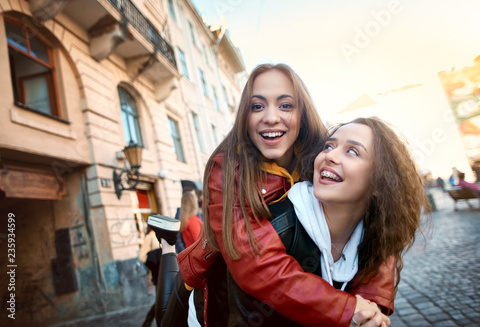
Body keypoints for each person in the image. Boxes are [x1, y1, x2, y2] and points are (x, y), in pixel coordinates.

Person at [153, 64, 393, 327]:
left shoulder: (323, 156)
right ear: (245, 116)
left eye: (285, 106)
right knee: (167, 316)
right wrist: (346, 309)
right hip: (217, 286)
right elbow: (256, 262)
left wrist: (371, 304)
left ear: (302, 114)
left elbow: (375, 222)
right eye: (257, 106)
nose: (270, 117)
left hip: (293, 300)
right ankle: (166, 245)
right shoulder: (228, 166)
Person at [139, 226, 161, 327]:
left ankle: (149, 322)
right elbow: (142, 256)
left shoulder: (162, 235)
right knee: (160, 300)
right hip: (157, 273)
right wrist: (153, 262)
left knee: (161, 299)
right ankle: (149, 321)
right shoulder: (150, 237)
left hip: (164, 271)